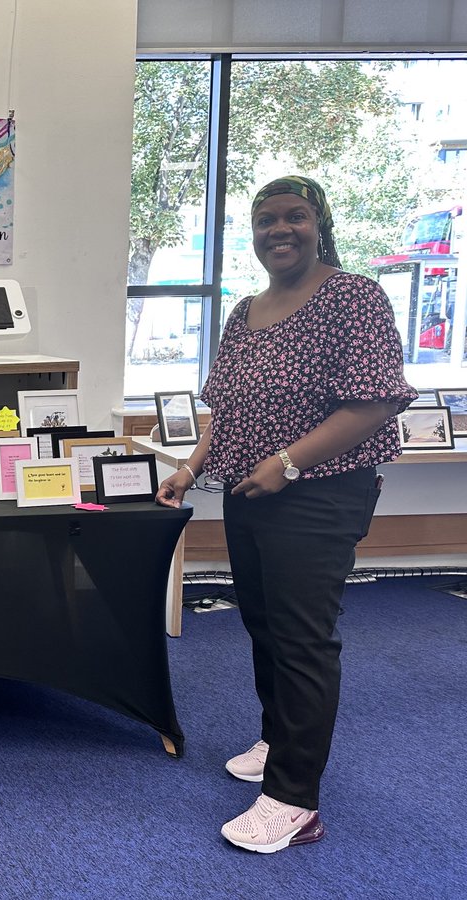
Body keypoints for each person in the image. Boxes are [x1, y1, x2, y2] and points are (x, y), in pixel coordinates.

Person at [155, 176, 417, 854]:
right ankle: (277, 739)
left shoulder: (353, 297)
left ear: (319, 223)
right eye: (266, 219)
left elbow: (374, 403)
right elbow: (227, 412)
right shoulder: (245, 311)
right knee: (264, 623)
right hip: (249, 492)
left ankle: (295, 800)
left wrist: (288, 462)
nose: (280, 230)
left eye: (294, 217)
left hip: (319, 495)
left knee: (303, 640)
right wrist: (188, 469)